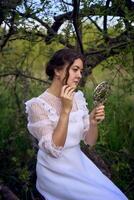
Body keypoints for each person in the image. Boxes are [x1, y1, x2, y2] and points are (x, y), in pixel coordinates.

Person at [25, 48, 128, 200]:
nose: (79, 75)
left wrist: (93, 123)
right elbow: (54, 150)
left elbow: (89, 142)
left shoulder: (78, 98)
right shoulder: (37, 105)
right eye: (75, 69)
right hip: (55, 171)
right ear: (57, 71)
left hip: (78, 162)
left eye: (81, 70)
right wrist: (65, 111)